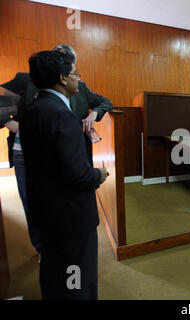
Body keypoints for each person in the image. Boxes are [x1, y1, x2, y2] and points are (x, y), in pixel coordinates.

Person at [1, 44, 113, 254]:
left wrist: (93, 114)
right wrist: (10, 123)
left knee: (67, 199)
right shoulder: (26, 81)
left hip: (66, 156)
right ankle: (42, 247)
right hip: (27, 155)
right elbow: (1, 104)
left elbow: (105, 102)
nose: (73, 74)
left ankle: (66, 243)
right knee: (35, 202)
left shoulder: (80, 87)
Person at [20, 50, 109, 300]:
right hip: (71, 216)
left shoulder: (33, 110)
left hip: (46, 211)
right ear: (62, 78)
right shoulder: (62, 115)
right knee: (76, 276)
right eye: (75, 74)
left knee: (53, 272)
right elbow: (77, 174)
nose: (78, 80)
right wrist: (98, 175)